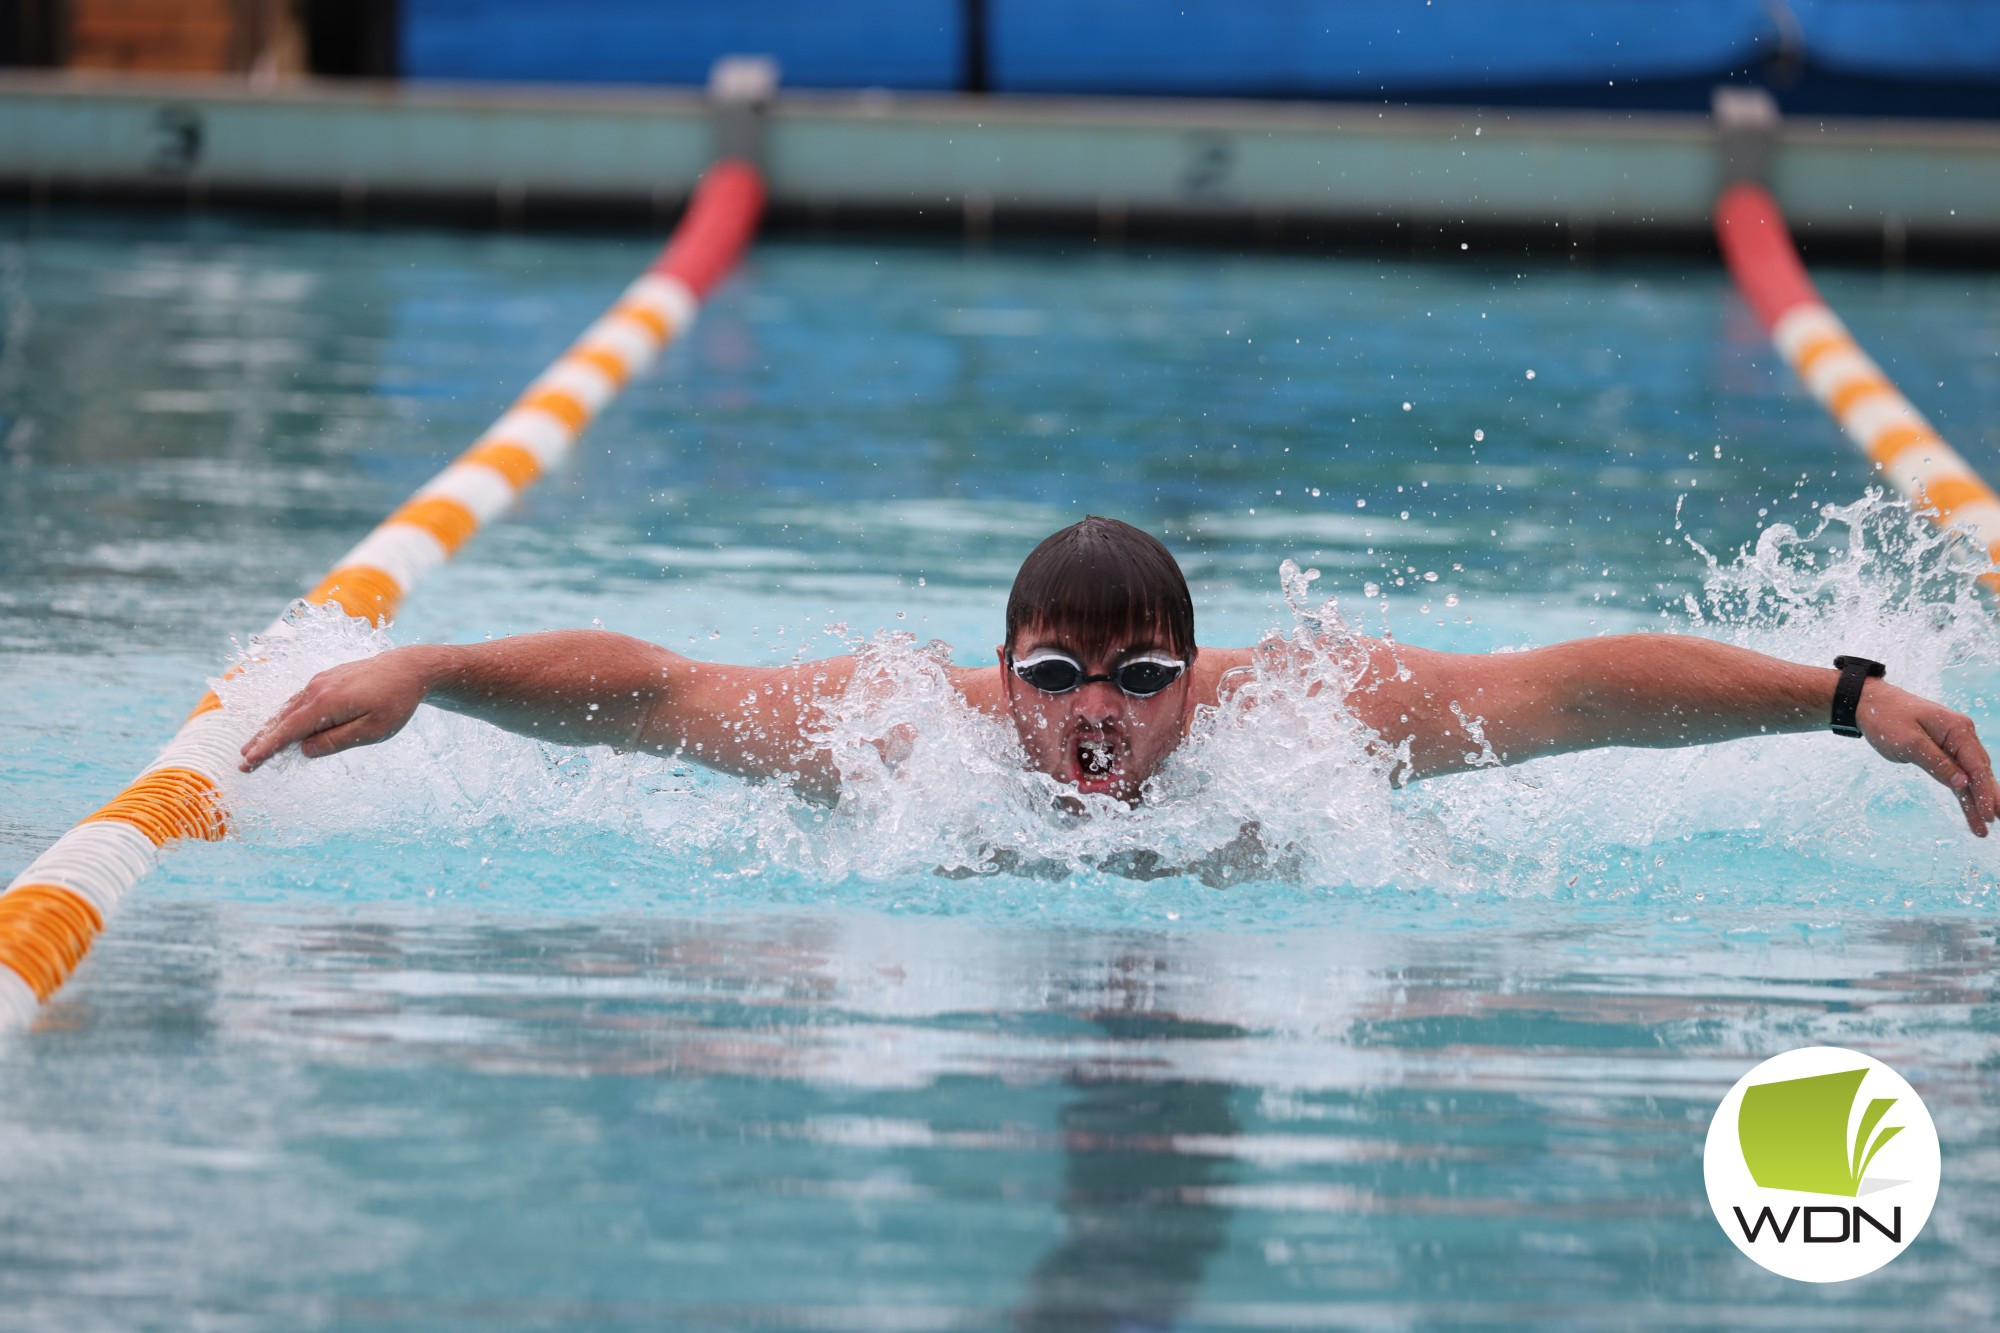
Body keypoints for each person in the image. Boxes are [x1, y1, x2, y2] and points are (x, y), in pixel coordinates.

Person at [240, 516, 2000, 836]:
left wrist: (1845, 695)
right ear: (1002, 674)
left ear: (1198, 670)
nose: (1102, 713)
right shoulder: (903, 729)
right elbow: (659, 691)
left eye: (1145, 674)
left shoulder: (1300, 724)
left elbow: (1570, 689)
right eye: (1063, 674)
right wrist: (435, 665)